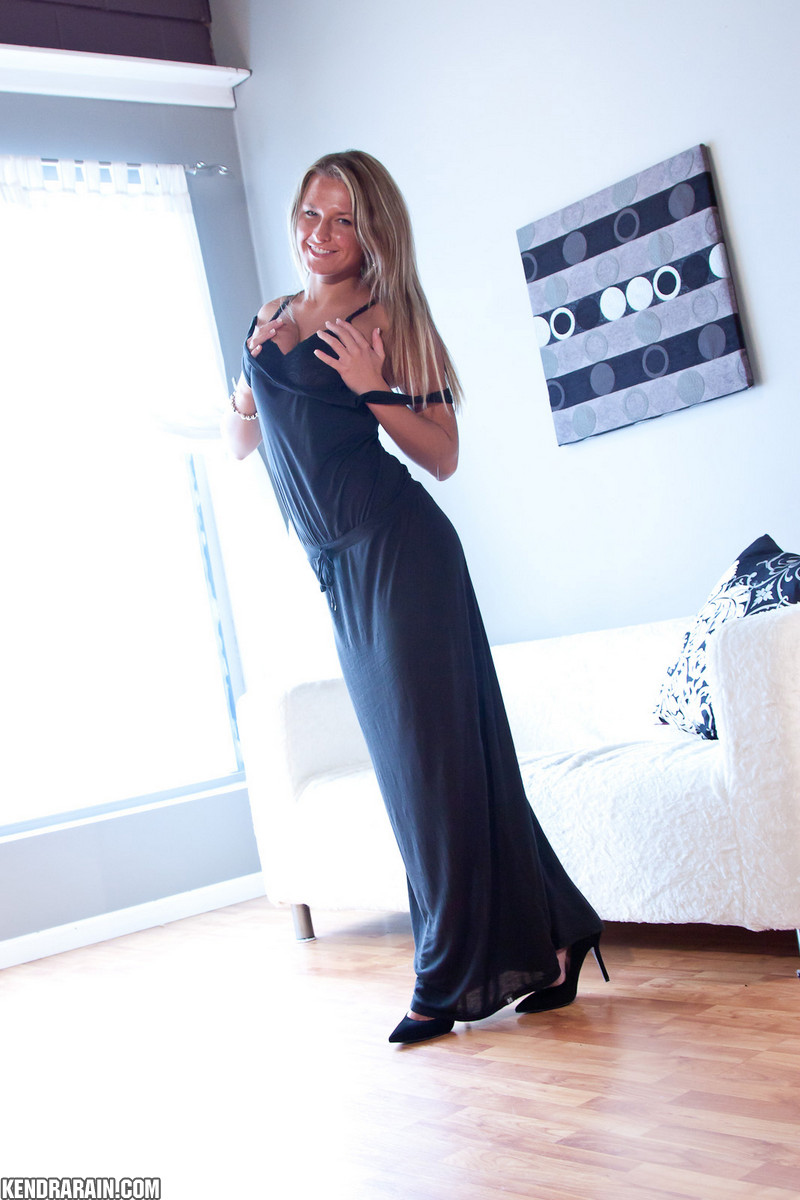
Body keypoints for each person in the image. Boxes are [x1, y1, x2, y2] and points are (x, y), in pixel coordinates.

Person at [224, 150, 607, 1044]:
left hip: (401, 554)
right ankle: (555, 936)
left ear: (373, 232)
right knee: (438, 764)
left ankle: (445, 977)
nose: (321, 234)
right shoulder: (270, 317)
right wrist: (244, 383)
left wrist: (373, 388)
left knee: (426, 772)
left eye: (343, 220)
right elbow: (241, 444)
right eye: (310, 214)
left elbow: (443, 455)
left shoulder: (388, 315)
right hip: (337, 570)